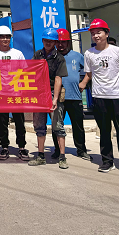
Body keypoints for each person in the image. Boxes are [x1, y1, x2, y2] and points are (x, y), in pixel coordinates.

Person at [79, 19, 119, 175]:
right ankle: (107, 161)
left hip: (118, 95)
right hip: (99, 96)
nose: (96, 36)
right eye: (93, 33)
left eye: (99, 32)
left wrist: (115, 85)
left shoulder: (118, 51)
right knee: (104, 131)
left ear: (106, 33)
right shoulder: (89, 53)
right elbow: (89, 73)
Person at [28, 28, 68, 169]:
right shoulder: (37, 54)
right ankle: (40, 155)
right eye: (46, 40)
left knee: (58, 126)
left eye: (51, 41)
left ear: (55, 42)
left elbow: (58, 79)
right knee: (39, 126)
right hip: (39, 94)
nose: (48, 43)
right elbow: (30, 70)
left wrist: (55, 99)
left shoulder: (59, 58)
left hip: (52, 93)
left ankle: (62, 157)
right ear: (42, 40)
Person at [0, 25, 29, 162]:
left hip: (16, 93)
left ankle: (21, 147)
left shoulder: (18, 54)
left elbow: (24, 72)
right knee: (2, 122)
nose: (5, 39)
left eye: (7, 37)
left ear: (10, 38)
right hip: (1, 94)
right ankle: (4, 147)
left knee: (19, 122)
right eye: (2, 37)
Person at [56, 28, 91, 161]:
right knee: (57, 126)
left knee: (78, 126)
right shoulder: (52, 57)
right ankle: (58, 151)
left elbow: (89, 70)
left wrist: (84, 82)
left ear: (68, 42)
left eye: (63, 42)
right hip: (57, 98)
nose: (60, 44)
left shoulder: (77, 56)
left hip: (74, 96)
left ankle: (81, 150)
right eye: (58, 42)